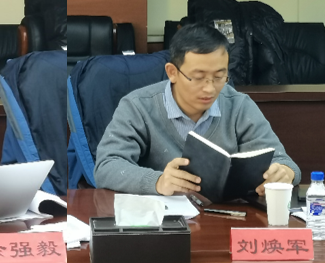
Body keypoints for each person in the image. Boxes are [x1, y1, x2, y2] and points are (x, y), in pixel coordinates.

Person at [94, 23, 300, 197]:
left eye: (219, 77)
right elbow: (107, 166)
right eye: (199, 77)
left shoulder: (239, 106)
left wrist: (284, 173)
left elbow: (284, 162)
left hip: (228, 218)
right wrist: (158, 182)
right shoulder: (138, 106)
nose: (210, 88)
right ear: (172, 72)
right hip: (164, 221)